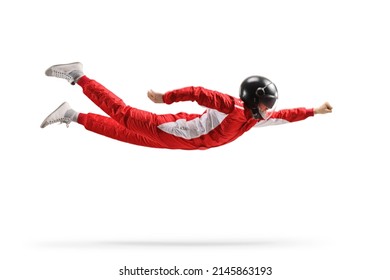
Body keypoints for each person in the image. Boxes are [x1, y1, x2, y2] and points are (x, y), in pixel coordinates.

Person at [40, 62, 332, 150]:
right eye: (266, 103)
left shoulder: (255, 119)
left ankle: (72, 114)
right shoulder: (232, 107)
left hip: (182, 141)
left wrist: (314, 111)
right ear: (252, 99)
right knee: (123, 115)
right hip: (174, 129)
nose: (270, 109)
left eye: (270, 105)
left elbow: (285, 116)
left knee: (124, 133)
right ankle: (79, 76)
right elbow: (198, 92)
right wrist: (164, 98)